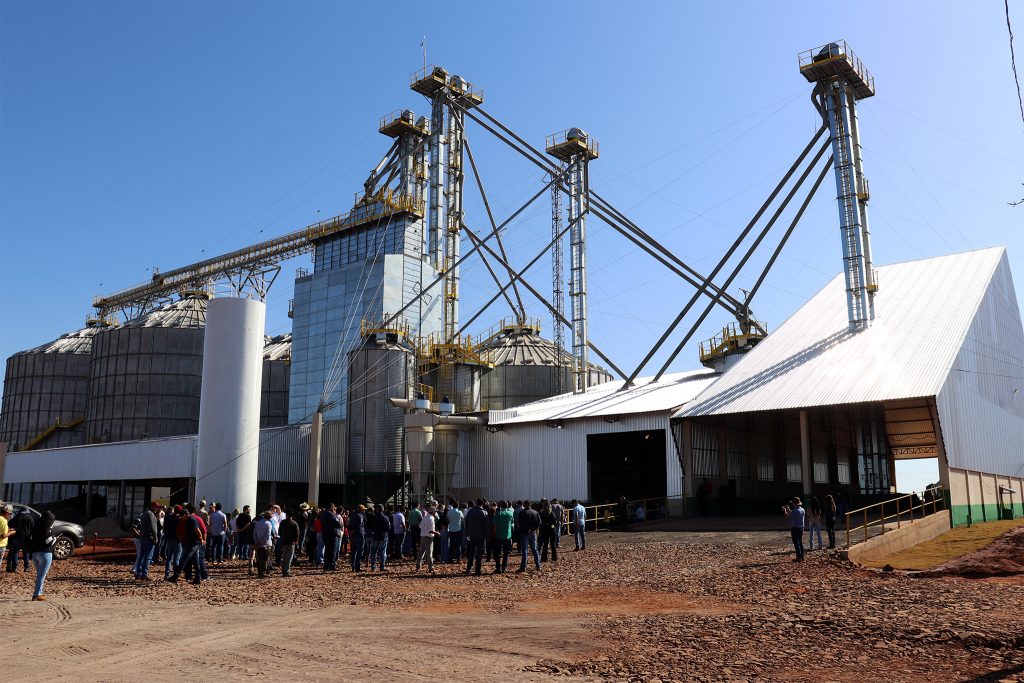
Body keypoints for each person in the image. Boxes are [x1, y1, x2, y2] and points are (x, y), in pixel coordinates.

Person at [168, 504, 206, 585]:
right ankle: (197, 578)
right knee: (196, 561)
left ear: (185, 515)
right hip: (192, 542)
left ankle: (175, 576)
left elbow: (198, 530)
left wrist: (201, 539)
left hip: (194, 543)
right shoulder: (188, 520)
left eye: (181, 517)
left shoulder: (192, 520)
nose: (181, 518)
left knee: (184, 559)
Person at [28, 510, 57, 601]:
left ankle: (39, 592)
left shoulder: (35, 528)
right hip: (45, 553)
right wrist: (55, 539)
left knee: (39, 574)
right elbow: (48, 542)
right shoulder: (47, 529)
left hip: (35, 553)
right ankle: (37, 594)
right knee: (41, 575)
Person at [133, 501, 160, 580]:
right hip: (149, 538)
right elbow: (153, 528)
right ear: (152, 506)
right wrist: (155, 538)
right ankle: (144, 574)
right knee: (148, 557)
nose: (157, 509)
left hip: (143, 538)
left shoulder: (145, 513)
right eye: (156, 507)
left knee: (142, 555)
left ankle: (138, 573)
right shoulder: (150, 514)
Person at [464, 499, 489, 576]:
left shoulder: (470, 511)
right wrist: (487, 536)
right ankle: (477, 570)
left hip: (472, 534)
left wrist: (467, 533)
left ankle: (469, 568)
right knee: (479, 553)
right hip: (481, 535)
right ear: (482, 504)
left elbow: (466, 522)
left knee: (472, 551)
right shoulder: (484, 512)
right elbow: (487, 526)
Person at [517, 501, 542, 572]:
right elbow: (539, 523)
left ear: (524, 505)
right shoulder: (535, 512)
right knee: (534, 549)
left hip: (524, 533)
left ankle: (523, 567)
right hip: (533, 533)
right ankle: (538, 565)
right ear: (530, 504)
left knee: (524, 551)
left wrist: (526, 529)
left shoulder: (522, 513)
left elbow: (520, 523)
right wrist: (532, 529)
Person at [8, 507, 34, 572]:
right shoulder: (30, 518)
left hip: (16, 537)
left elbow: (10, 524)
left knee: (15, 553)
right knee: (26, 553)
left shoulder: (17, 517)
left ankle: (14, 568)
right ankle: (27, 567)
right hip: (26, 538)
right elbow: (32, 528)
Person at [415, 503, 438, 574]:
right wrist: (437, 533)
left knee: (421, 552)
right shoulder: (431, 519)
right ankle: (431, 568)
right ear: (433, 512)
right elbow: (430, 531)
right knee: (429, 553)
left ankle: (418, 566)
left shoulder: (425, 517)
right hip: (428, 538)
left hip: (422, 536)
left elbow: (420, 526)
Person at [320, 503, 344, 571]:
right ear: (332, 508)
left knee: (327, 550)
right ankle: (332, 565)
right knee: (333, 550)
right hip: (332, 534)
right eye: (334, 509)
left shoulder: (323, 514)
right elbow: (338, 524)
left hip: (325, 533)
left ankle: (326, 565)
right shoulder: (331, 515)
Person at [493, 500, 514, 573]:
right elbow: (512, 524)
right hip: (507, 536)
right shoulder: (510, 514)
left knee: (497, 553)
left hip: (498, 535)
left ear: (501, 505)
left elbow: (495, 525)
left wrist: (494, 534)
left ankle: (498, 567)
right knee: (506, 553)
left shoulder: (498, 513)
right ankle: (504, 567)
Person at [278, 509, 300, 577]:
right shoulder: (294, 523)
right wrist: (296, 541)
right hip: (291, 542)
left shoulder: (282, 522)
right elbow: (297, 534)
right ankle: (287, 571)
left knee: (284, 557)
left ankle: (283, 570)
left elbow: (279, 532)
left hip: (284, 541)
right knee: (289, 558)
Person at [163, 505, 183, 580]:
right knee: (176, 559)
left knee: (169, 558)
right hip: (177, 541)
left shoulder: (169, 517)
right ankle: (175, 574)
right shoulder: (179, 519)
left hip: (169, 539)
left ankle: (167, 574)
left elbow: (165, 528)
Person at [252, 511, 274, 578]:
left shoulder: (258, 523)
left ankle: (260, 572)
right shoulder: (268, 524)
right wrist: (261, 541)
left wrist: (256, 541)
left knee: (259, 558)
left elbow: (254, 533)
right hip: (266, 544)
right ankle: (263, 573)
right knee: (265, 559)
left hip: (258, 544)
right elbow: (267, 535)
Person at [368, 504, 390, 572]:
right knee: (383, 553)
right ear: (383, 509)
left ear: (377, 509)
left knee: (373, 552)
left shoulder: (374, 517)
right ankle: (382, 567)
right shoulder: (385, 518)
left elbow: (370, 526)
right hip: (383, 537)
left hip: (375, 536)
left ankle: (373, 567)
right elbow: (388, 528)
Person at [784, 498, 806, 562]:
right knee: (800, 542)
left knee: (796, 543)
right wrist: (788, 508)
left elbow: (787, 515)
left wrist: (785, 510)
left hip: (795, 528)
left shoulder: (795, 510)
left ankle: (798, 557)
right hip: (801, 527)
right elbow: (792, 513)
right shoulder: (802, 509)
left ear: (794, 504)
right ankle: (802, 556)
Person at [538, 499, 558, 563]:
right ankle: (554, 557)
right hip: (551, 529)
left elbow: (540, 522)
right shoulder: (551, 513)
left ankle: (544, 558)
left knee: (545, 544)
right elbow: (554, 522)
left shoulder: (541, 513)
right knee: (553, 544)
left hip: (545, 529)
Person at [446, 500, 464, 564]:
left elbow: (448, 520)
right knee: (458, 545)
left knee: (451, 545)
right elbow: (462, 520)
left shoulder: (449, 512)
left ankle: (450, 558)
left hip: (451, 530)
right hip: (458, 529)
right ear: (458, 505)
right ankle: (458, 559)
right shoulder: (460, 512)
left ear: (452, 506)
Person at [0, 504, 14, 571]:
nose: (10, 516)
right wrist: (11, 533)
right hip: (1, 545)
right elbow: (3, 536)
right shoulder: (4, 521)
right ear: (6, 513)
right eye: (10, 514)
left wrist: (8, 530)